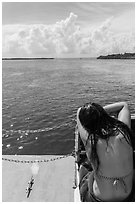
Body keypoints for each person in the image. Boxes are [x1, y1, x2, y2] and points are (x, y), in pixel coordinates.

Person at [76, 102, 134, 202]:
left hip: (99, 199)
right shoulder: (124, 132)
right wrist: (100, 112)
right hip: (128, 196)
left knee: (83, 168)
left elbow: (78, 113)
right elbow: (123, 105)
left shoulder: (90, 141)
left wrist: (92, 115)